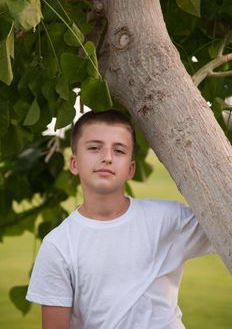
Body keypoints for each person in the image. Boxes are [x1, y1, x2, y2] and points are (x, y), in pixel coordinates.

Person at [26, 109, 214, 329]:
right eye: (94, 148)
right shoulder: (58, 245)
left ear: (131, 169)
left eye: (119, 150)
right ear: (74, 163)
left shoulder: (169, 220)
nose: (107, 157)